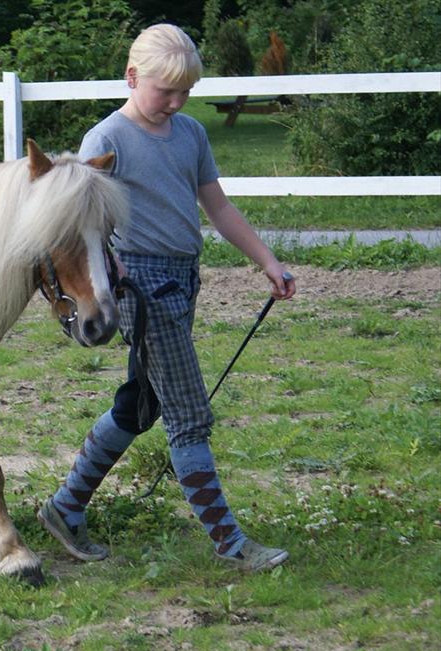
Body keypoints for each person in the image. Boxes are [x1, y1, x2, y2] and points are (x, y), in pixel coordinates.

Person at [38, 23, 296, 571]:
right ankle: (230, 542)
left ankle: (65, 507)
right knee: (187, 414)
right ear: (132, 77)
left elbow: (218, 206)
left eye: (186, 93)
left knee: (142, 403)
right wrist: (113, 264)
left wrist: (267, 261)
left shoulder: (190, 134)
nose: (176, 102)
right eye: (166, 91)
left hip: (184, 278)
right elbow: (82, 226)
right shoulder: (106, 139)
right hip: (141, 288)